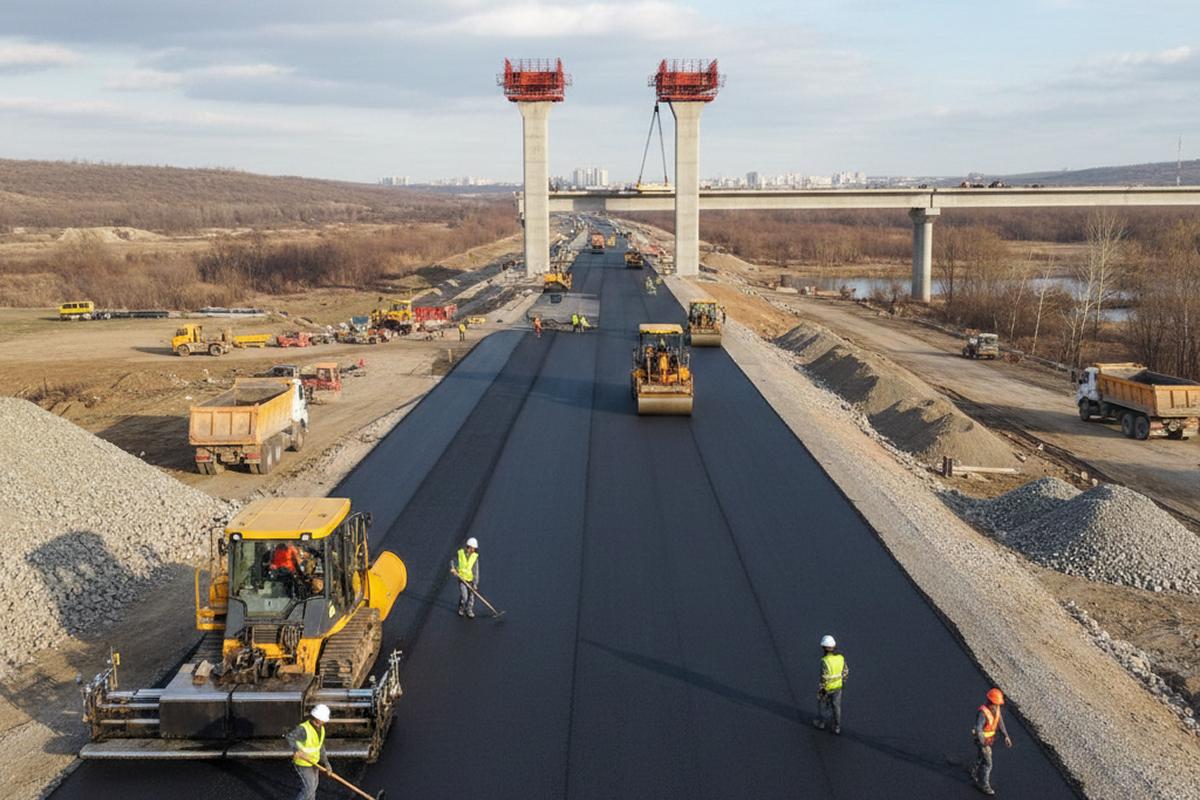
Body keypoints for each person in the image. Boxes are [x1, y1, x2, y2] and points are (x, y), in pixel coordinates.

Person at [971, 688, 1012, 796]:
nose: (998, 706)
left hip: (989, 741)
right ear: (991, 702)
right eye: (996, 704)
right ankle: (983, 784)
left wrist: (1006, 736)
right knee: (988, 763)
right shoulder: (983, 713)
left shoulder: (996, 709)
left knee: (981, 758)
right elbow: (978, 728)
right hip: (983, 742)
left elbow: (1000, 722)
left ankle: (974, 772)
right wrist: (982, 742)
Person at [287, 704, 332, 800]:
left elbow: (320, 747)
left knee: (313, 787)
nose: (324, 721)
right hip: (303, 763)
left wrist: (326, 763)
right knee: (309, 788)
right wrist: (296, 750)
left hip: (314, 762)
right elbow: (290, 737)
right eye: (323, 719)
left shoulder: (321, 729)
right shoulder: (303, 729)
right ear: (317, 717)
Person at [813, 634, 848, 734]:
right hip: (838, 687)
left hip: (827, 689)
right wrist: (842, 682)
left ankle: (822, 723)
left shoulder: (825, 661)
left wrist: (822, 689)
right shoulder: (841, 658)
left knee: (823, 705)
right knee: (836, 707)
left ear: (824, 648)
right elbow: (845, 672)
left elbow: (824, 677)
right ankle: (837, 727)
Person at [452, 537, 480, 618]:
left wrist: (475, 583)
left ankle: (469, 610)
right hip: (462, 579)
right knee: (464, 596)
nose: (473, 550)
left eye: (474, 549)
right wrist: (453, 568)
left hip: (471, 580)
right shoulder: (460, 553)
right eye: (472, 548)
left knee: (471, 596)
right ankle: (461, 607)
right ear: (469, 547)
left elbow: (476, 571)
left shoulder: (474, 557)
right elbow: (453, 561)